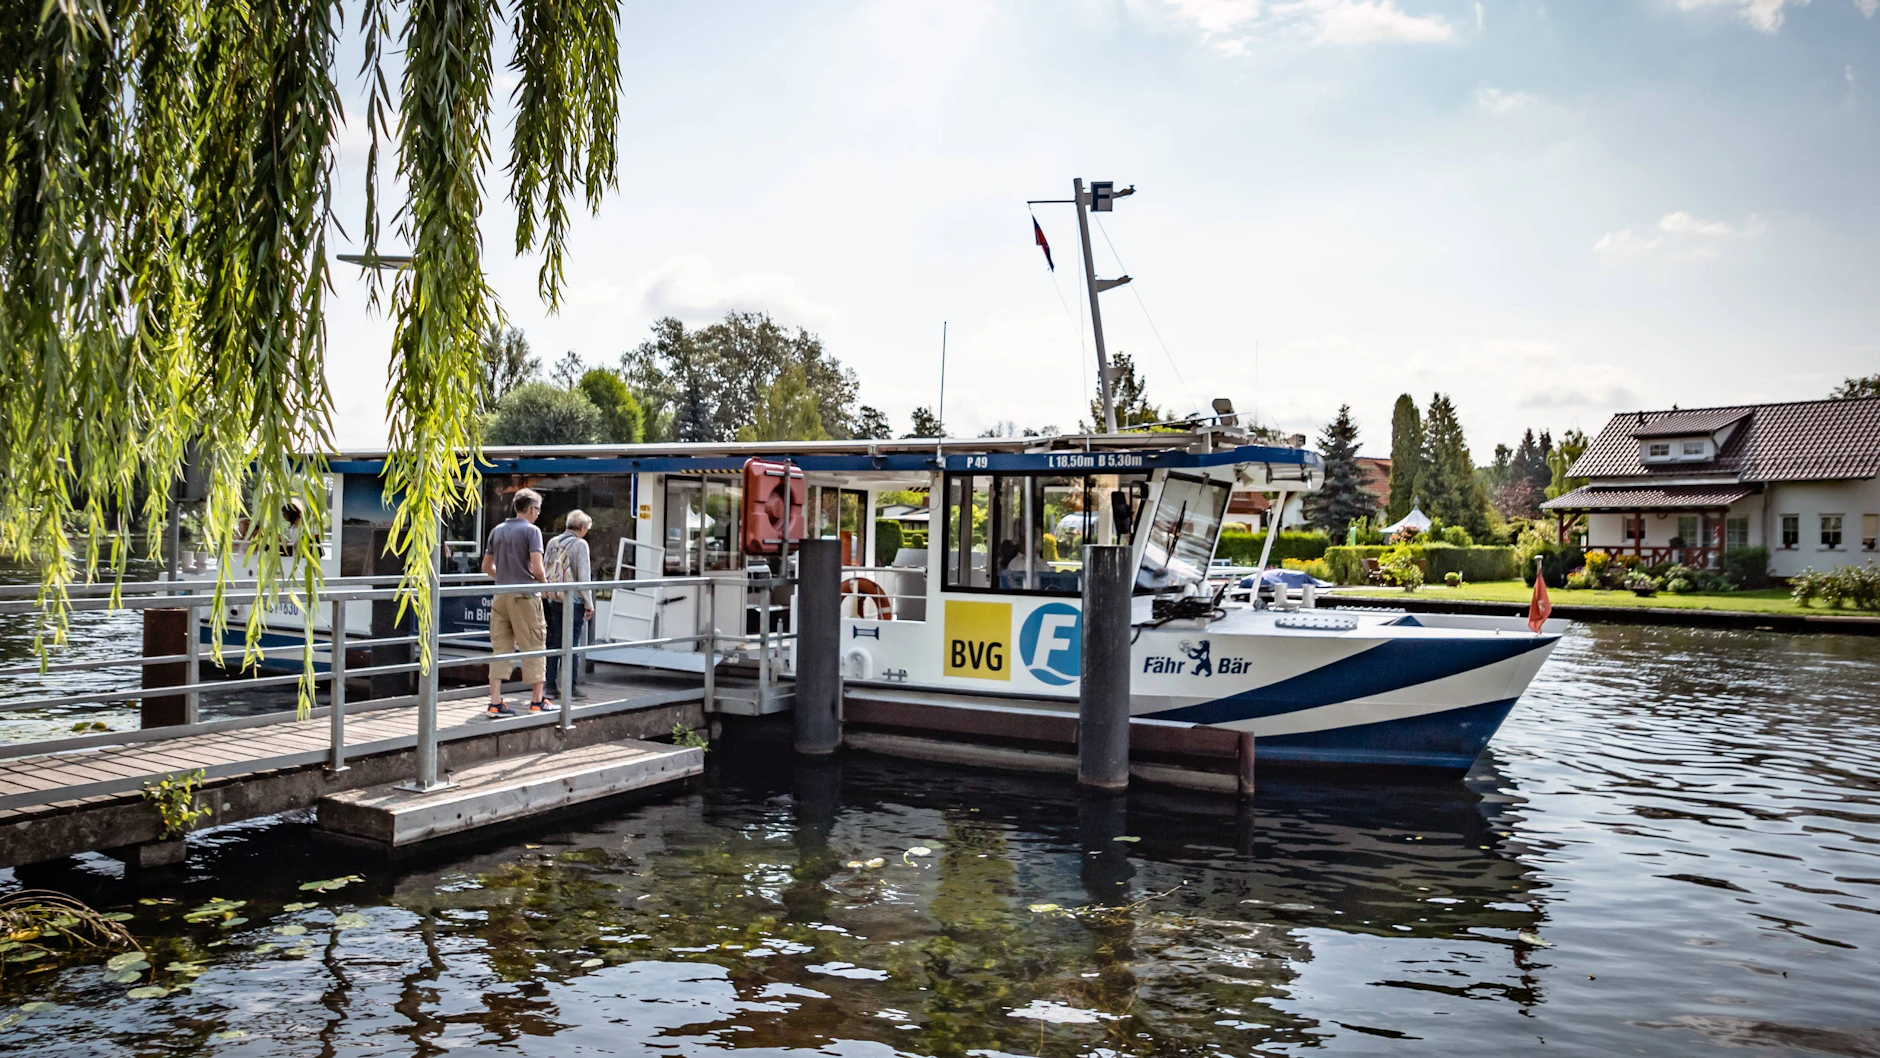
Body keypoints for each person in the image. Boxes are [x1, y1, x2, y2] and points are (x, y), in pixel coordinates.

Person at [482, 488, 553, 716]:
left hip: (501, 595)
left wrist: (503, 577)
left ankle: (495, 703)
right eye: (538, 510)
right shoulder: (532, 532)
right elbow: (538, 568)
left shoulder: (497, 530)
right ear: (531, 509)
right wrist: (545, 586)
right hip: (525, 597)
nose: (538, 514)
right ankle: (537, 701)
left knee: (500, 649)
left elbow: (486, 567)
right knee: (534, 644)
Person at [544, 509, 595, 700]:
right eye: (586, 529)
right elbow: (583, 577)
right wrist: (589, 603)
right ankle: (570, 688)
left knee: (554, 642)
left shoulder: (553, 542)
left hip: (553, 598)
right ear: (582, 527)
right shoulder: (580, 544)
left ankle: (550, 686)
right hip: (573, 602)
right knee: (572, 644)